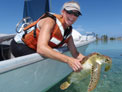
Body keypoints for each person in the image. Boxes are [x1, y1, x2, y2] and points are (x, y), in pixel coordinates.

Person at [10, 1, 85, 72]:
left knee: (50, 60)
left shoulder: (68, 34)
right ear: (63, 12)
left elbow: (75, 53)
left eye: (76, 14)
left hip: (34, 48)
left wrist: (92, 61)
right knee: (43, 64)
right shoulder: (50, 22)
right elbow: (41, 49)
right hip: (20, 45)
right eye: (69, 12)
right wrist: (69, 60)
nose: (72, 16)